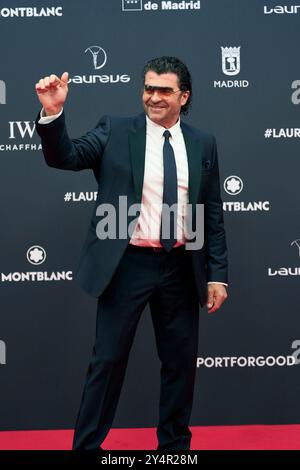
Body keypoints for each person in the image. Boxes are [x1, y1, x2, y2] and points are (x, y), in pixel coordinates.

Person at [35, 56, 228, 451]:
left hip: (181, 267)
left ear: (183, 96)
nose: (154, 97)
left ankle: (174, 449)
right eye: (148, 88)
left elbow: (211, 212)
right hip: (127, 265)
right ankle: (86, 448)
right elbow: (65, 157)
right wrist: (53, 114)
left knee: (179, 366)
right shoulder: (115, 129)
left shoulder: (203, 142)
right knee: (106, 362)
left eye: (164, 90)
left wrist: (217, 274)